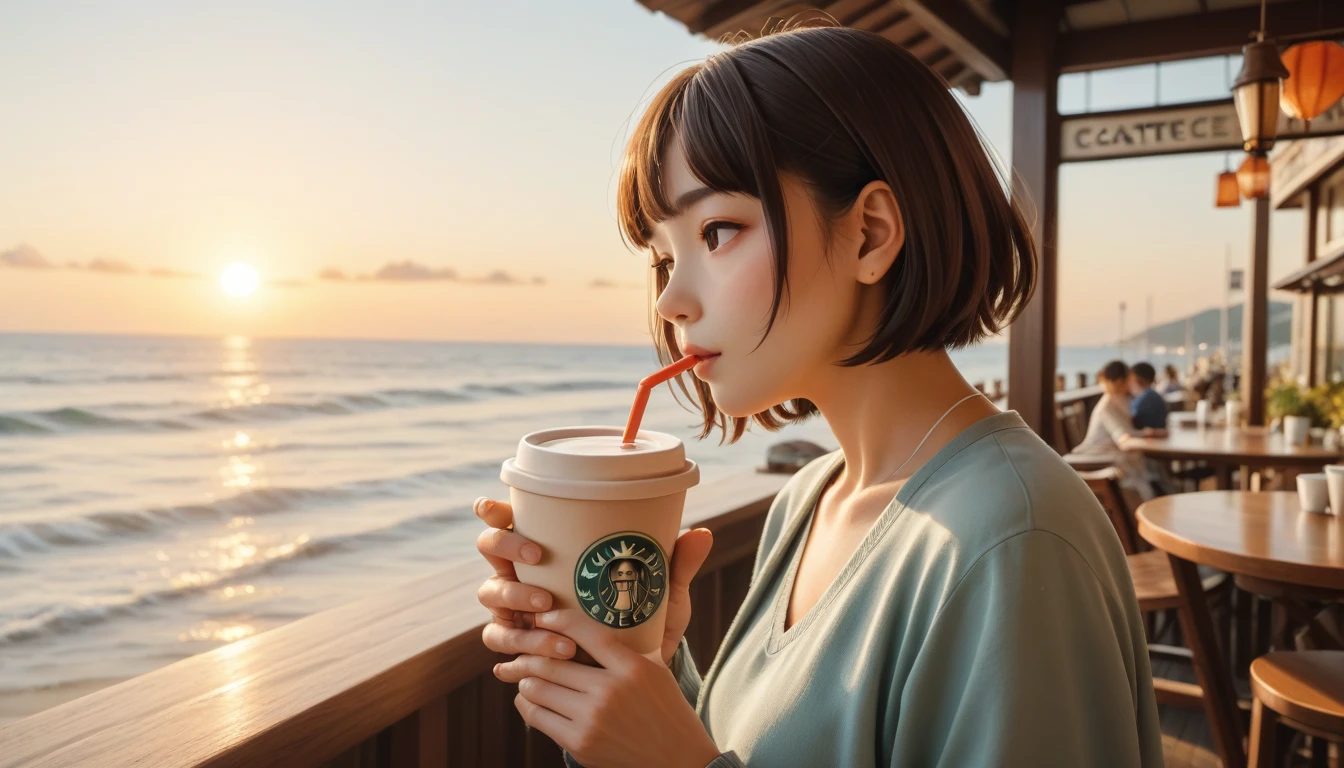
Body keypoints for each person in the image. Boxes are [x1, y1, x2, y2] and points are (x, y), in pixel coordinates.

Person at [472, 20, 1162, 768]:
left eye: (718, 231)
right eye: (664, 255)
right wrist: (631, 666)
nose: (671, 299)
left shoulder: (1014, 541)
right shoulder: (811, 498)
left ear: (870, 234)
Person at [1072, 360, 1167, 501]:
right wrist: (1150, 435)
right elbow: (1124, 440)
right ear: (1120, 381)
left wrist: (1150, 433)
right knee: (1147, 480)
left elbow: (1126, 434)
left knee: (1156, 476)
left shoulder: (1121, 400)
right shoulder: (1107, 406)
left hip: (1114, 458)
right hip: (1100, 461)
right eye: (1128, 378)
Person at [1129, 362, 1168, 430]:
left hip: (1150, 438)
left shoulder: (1145, 399)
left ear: (1137, 378)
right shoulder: (1153, 395)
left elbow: (1132, 420)